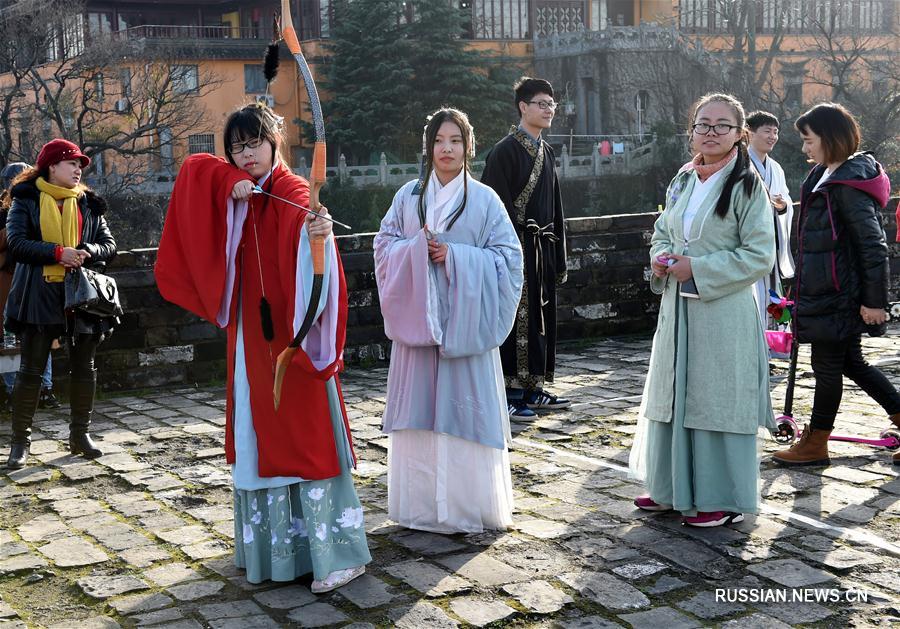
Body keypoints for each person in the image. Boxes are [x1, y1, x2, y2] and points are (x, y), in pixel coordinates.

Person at [155, 103, 370, 591]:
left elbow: (309, 239)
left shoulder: (292, 191)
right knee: (259, 435)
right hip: (251, 339)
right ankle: (280, 556)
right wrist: (229, 181)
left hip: (290, 339)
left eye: (255, 143)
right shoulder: (241, 187)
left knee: (308, 436)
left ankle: (338, 554)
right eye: (237, 148)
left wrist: (316, 235)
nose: (246, 154)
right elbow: (194, 169)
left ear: (275, 142)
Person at [629, 93, 776, 527]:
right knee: (673, 393)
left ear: (739, 134)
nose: (710, 133)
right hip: (678, 308)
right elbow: (663, 231)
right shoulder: (683, 179)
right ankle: (671, 487)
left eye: (721, 126)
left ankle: (724, 497)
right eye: (702, 124)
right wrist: (660, 258)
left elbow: (759, 255)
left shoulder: (747, 185)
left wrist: (698, 267)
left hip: (722, 310)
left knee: (717, 398)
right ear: (691, 130)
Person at [374, 108, 523, 533]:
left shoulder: (485, 200)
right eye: (439, 140)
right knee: (420, 415)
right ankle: (420, 508)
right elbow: (383, 246)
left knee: (464, 416)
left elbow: (509, 259)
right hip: (418, 329)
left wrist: (455, 256)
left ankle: (466, 507)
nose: (446, 149)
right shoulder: (408, 197)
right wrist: (414, 250)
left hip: (464, 326)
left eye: (455, 140)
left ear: (468, 146)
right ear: (428, 147)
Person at [772, 103, 900, 467]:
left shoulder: (848, 185)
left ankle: (815, 443)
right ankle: (817, 442)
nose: (804, 148)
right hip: (826, 291)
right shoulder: (824, 175)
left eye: (809, 140)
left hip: (840, 293)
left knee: (827, 366)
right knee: (852, 364)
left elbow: (873, 246)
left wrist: (875, 302)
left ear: (830, 138)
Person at [4, 140, 117, 469]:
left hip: (82, 294)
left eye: (80, 164)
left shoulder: (89, 203)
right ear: (52, 166)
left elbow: (109, 244)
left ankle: (80, 435)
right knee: (31, 370)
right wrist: (57, 253)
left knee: (85, 367)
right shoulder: (25, 200)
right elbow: (17, 243)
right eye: (71, 163)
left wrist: (87, 251)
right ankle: (20, 443)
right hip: (39, 294)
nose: (78, 169)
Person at [481, 76, 569, 419]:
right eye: (541, 104)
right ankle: (510, 392)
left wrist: (558, 255)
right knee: (515, 318)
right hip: (515, 249)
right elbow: (494, 208)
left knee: (540, 318)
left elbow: (555, 207)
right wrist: (503, 253)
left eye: (551, 104)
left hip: (541, 249)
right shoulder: (504, 151)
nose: (548, 110)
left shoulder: (546, 150)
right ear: (523, 107)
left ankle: (534, 387)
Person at [0, 162, 59, 415]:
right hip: (7, 284)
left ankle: (44, 388)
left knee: (41, 335)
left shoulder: (41, 204)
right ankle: (15, 391)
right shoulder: (5, 210)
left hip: (35, 281)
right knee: (8, 340)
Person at [746, 111, 795, 328]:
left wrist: (783, 206)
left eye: (775, 132)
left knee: (774, 293)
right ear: (749, 133)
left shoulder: (776, 168)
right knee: (753, 295)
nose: (773, 137)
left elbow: (786, 200)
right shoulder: (739, 164)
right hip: (749, 244)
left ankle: (777, 339)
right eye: (767, 131)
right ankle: (756, 338)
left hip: (772, 244)